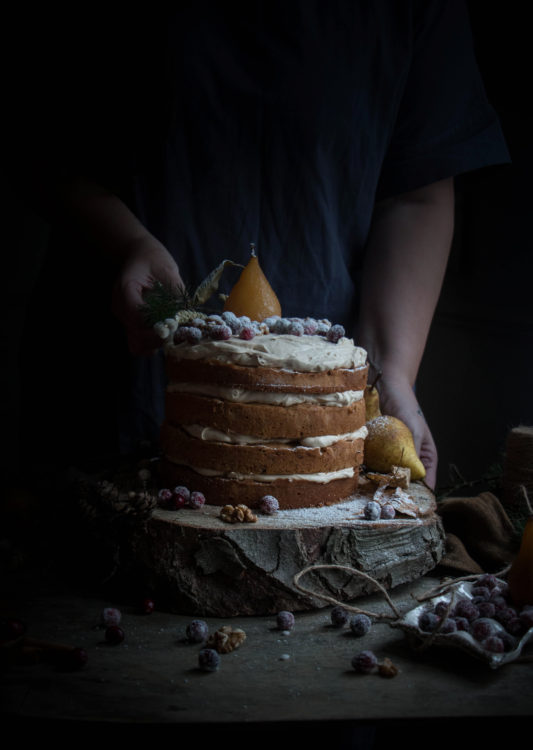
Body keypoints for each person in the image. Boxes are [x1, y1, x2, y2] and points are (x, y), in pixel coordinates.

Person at [16, 1, 509, 487]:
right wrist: (127, 242)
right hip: (113, 372)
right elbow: (42, 138)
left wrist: (392, 375)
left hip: (324, 397)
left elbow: (417, 192)